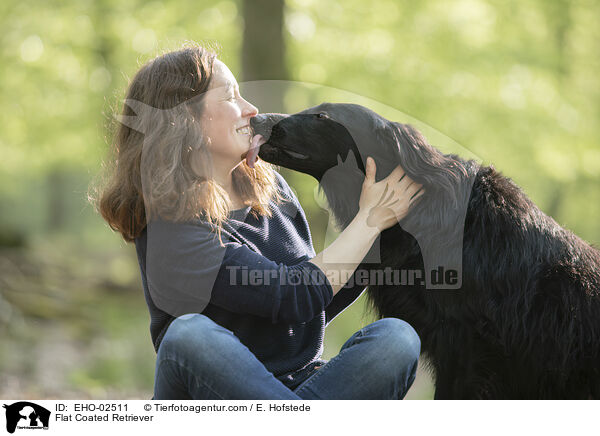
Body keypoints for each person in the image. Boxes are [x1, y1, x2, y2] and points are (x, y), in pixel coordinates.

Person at [91, 43, 424, 400]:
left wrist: (387, 228)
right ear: (184, 118)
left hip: (301, 386)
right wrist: (369, 221)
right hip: (213, 400)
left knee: (395, 339)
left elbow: (312, 304)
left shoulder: (271, 189)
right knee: (189, 336)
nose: (251, 110)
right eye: (231, 97)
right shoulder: (171, 229)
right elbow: (291, 294)